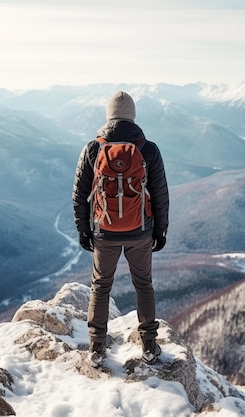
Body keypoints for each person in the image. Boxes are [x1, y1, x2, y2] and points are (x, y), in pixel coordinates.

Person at [72, 91, 169, 367]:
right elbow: (160, 193)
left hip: (105, 232)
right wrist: (160, 230)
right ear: (133, 115)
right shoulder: (148, 149)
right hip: (141, 231)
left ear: (108, 116)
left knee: (100, 287)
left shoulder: (93, 148)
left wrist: (84, 229)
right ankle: (149, 346)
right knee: (143, 285)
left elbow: (79, 194)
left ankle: (96, 349)